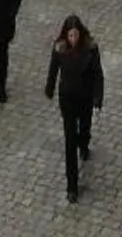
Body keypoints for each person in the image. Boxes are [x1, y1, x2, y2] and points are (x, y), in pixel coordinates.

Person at [44, 13, 105, 201]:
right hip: (68, 99)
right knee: (69, 140)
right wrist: (50, 88)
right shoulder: (60, 49)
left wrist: (97, 98)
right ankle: (72, 186)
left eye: (75, 35)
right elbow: (53, 69)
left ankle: (84, 144)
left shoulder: (91, 49)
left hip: (85, 98)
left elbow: (98, 74)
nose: (73, 39)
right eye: (70, 35)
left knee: (84, 129)